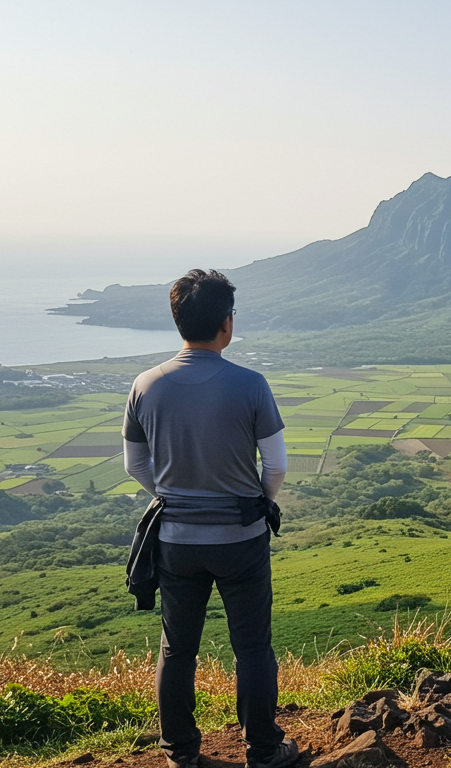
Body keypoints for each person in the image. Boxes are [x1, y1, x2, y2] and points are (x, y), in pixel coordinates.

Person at [122, 269, 298, 768]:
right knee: (253, 648)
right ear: (227, 323)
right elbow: (277, 467)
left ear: (178, 320)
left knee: (177, 650)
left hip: (176, 540)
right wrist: (256, 501)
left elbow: (135, 465)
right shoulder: (251, 384)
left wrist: (173, 497)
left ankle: (180, 752)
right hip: (241, 537)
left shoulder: (146, 385)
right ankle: (263, 750)